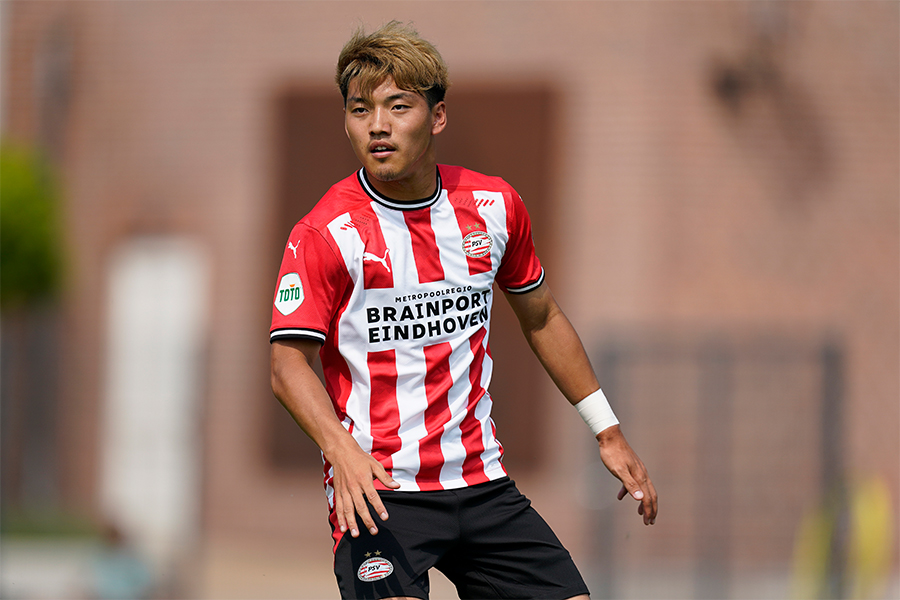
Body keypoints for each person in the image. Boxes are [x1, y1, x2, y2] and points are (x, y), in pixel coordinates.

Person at [270, 21, 657, 600]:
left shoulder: (494, 206)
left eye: (398, 106)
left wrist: (608, 431)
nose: (377, 125)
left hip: (481, 483)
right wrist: (340, 450)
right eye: (359, 109)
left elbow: (542, 318)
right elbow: (287, 365)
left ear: (438, 116)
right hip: (380, 489)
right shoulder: (326, 232)